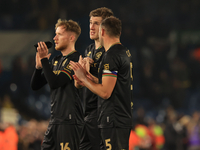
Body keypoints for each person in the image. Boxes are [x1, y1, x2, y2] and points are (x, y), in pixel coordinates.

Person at [70, 16, 133, 150]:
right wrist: (91, 78)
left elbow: (105, 92)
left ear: (102, 32)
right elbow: (115, 84)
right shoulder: (123, 52)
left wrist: (84, 79)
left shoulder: (110, 56)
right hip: (120, 117)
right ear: (119, 32)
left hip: (113, 119)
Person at [30, 19, 84, 150]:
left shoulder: (76, 59)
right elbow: (35, 86)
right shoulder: (56, 60)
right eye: (55, 34)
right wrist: (38, 68)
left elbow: (55, 83)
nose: (54, 38)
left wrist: (44, 60)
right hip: (55, 120)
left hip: (69, 121)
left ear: (71, 37)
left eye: (59, 34)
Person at [75, 7, 114, 150]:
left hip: (102, 114)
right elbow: (78, 85)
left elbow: (109, 87)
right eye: (90, 22)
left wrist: (86, 76)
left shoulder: (111, 52)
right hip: (87, 112)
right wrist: (80, 72)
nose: (91, 27)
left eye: (96, 23)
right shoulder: (88, 50)